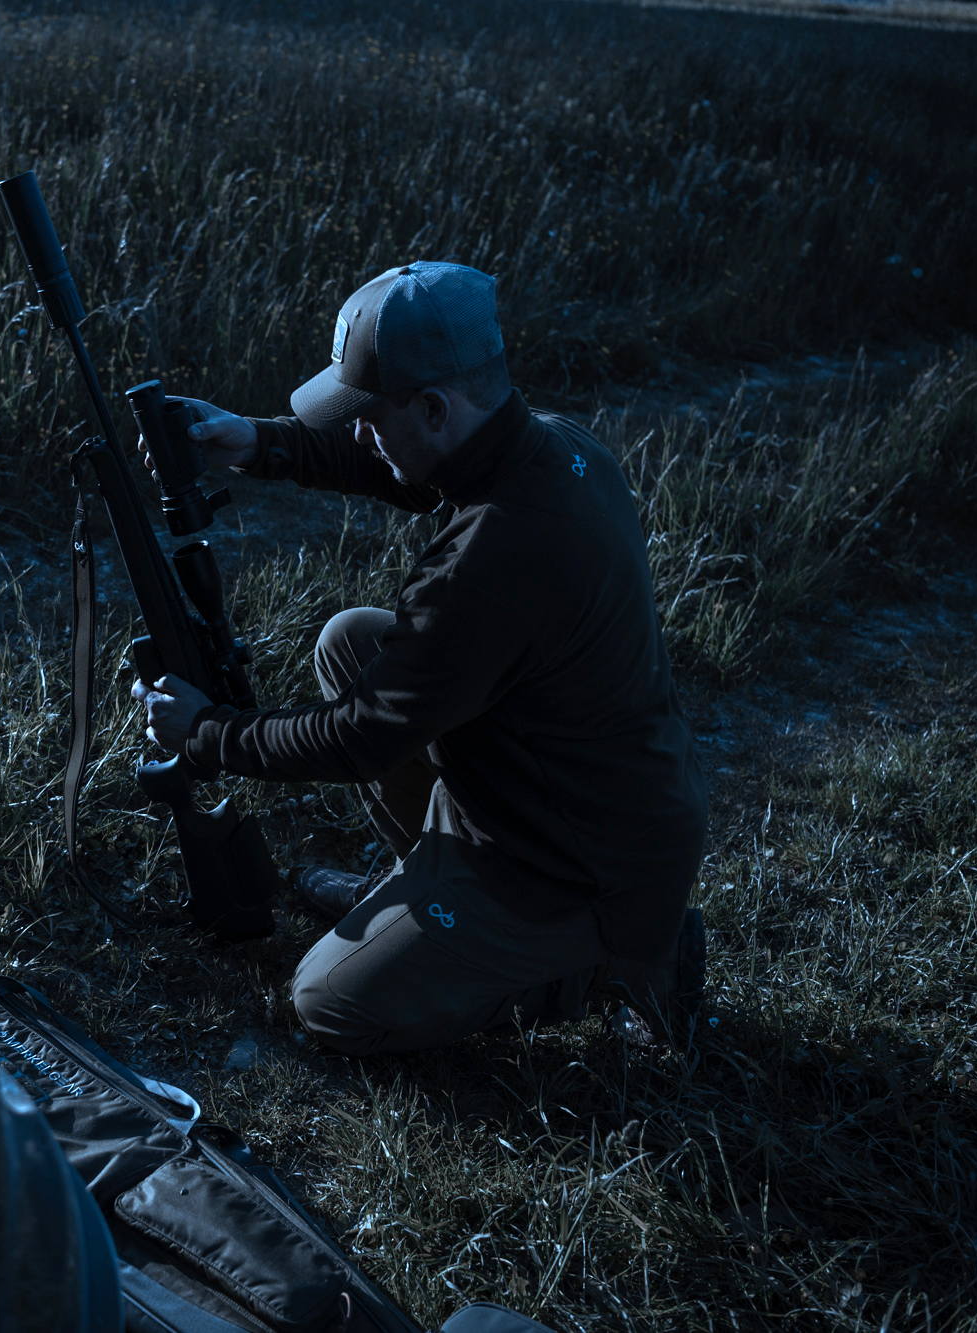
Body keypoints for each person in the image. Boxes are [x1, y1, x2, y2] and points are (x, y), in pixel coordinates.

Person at [131, 261, 709, 1056]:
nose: (360, 432)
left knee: (326, 1001)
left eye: (368, 415)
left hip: (576, 870)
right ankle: (429, 901)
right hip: (599, 799)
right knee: (351, 642)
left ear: (435, 407)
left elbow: (360, 737)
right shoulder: (555, 449)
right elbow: (403, 466)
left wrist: (207, 732)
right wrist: (259, 444)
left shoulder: (488, 561)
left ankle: (616, 966)